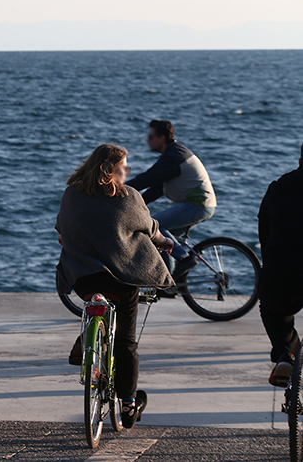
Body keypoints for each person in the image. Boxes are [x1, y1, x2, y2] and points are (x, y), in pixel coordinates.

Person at [56, 144, 174, 428]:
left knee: (94, 300)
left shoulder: (72, 194)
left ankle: (87, 333)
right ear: (111, 170)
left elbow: (61, 230)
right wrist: (167, 242)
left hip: (83, 279)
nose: (126, 172)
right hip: (122, 280)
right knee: (127, 341)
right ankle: (130, 404)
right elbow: (149, 228)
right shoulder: (128, 196)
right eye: (123, 167)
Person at [127, 120, 216, 279]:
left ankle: (185, 258)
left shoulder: (174, 156)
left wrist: (121, 191)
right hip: (200, 205)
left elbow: (148, 178)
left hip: (197, 205)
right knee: (161, 241)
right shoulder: (174, 154)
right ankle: (170, 285)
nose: (148, 140)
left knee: (154, 226)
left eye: (151, 136)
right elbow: (156, 189)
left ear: (162, 138)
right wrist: (134, 203)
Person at [258, 143, 303, 387]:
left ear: (299, 161)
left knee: (273, 309)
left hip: (281, 270)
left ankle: (286, 353)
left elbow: (264, 233)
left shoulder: (278, 187)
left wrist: (272, 267)